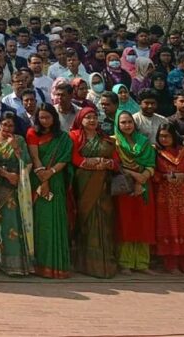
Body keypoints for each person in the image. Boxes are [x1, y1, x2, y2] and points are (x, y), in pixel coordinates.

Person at [69, 107, 119, 278]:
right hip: (83, 185)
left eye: (94, 117)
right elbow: (73, 158)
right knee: (86, 221)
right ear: (80, 120)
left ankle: (105, 265)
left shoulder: (106, 139)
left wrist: (105, 164)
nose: (92, 120)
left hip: (103, 186)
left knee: (103, 222)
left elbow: (116, 161)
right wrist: (91, 162)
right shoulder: (74, 136)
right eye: (88, 117)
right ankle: (85, 265)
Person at [26, 102, 73, 278]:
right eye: (41, 117)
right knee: (42, 222)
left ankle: (57, 266)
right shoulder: (32, 133)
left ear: (54, 118)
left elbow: (64, 158)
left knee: (57, 221)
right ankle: (40, 265)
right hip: (38, 181)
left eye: (48, 117)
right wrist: (43, 177)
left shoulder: (63, 138)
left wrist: (51, 172)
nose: (45, 121)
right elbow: (35, 157)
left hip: (56, 180)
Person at [0, 112, 34, 276]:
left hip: (15, 188)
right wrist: (7, 175)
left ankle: (15, 265)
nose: (7, 128)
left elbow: (27, 162)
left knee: (13, 224)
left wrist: (18, 177)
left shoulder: (19, 140)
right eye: (4, 125)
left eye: (10, 125)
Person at [113, 110, 156, 274]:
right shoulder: (114, 143)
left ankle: (142, 263)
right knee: (127, 224)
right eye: (123, 122)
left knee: (144, 223)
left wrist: (143, 178)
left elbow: (151, 163)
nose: (127, 125)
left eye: (129, 122)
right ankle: (125, 262)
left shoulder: (144, 141)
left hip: (144, 188)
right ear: (117, 124)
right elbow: (117, 165)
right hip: (125, 187)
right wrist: (135, 176)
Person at [152, 122, 184, 274]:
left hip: (183, 196)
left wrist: (183, 177)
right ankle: (170, 264)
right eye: (161, 136)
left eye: (167, 136)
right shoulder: (156, 153)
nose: (164, 139)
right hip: (164, 196)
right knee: (168, 226)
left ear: (174, 136)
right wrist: (164, 176)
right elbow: (154, 174)